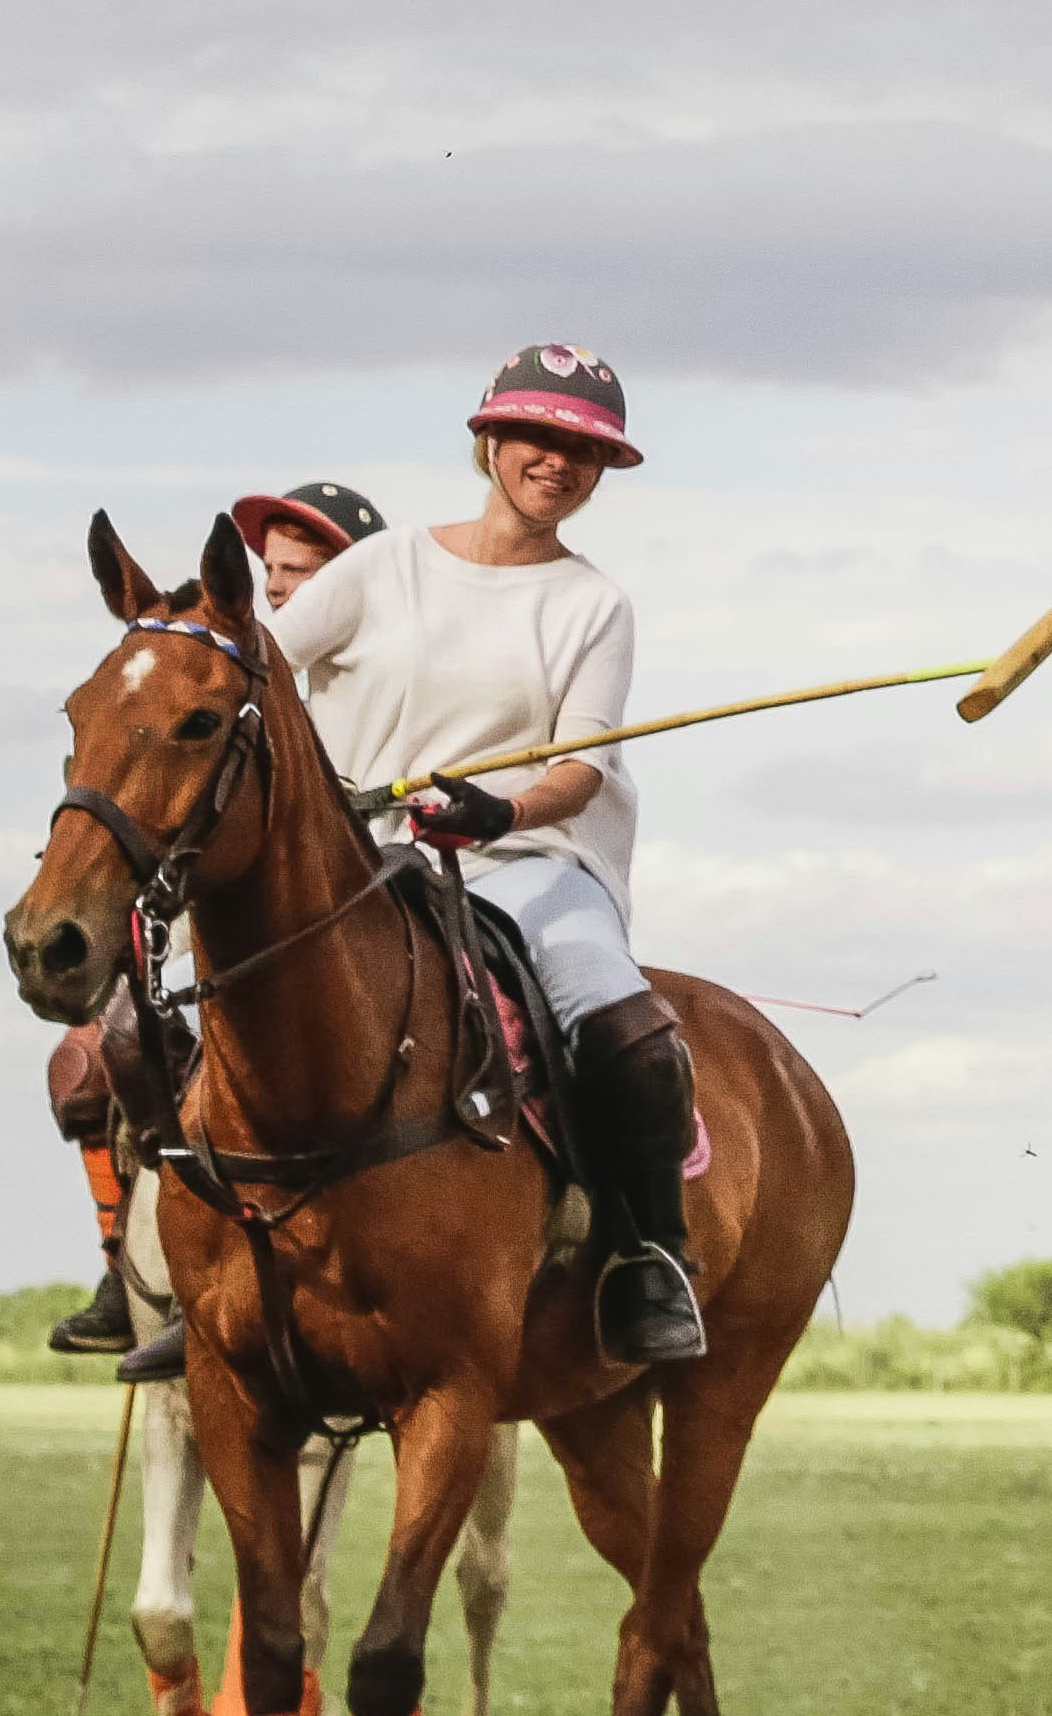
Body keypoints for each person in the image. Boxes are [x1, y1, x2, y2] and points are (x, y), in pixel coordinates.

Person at [268, 346, 709, 1366]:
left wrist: (495, 811)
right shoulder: (381, 568)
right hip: (359, 866)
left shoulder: (594, 605)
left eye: (584, 449)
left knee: (628, 1029)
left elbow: (580, 773)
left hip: (531, 861)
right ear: (491, 441)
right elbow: (261, 671)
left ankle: (648, 1256)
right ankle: (168, 1272)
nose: (558, 461)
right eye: (539, 438)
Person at [47, 482, 390, 1381]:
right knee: (103, 1050)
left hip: (376, 896)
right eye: (274, 570)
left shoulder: (393, 664)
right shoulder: (222, 662)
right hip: (250, 911)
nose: (284, 590)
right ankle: (144, 1273)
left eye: (305, 573)